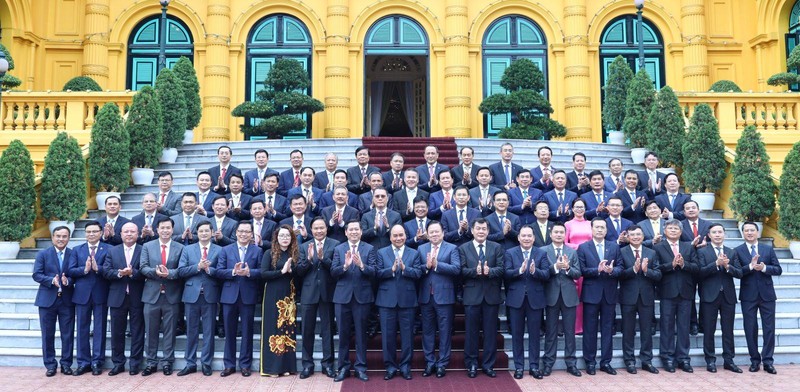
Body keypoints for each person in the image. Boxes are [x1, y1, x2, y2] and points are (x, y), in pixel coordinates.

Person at [213, 221, 263, 377]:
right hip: (229, 296)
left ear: (251, 234)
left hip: (248, 295)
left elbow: (262, 271)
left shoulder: (258, 250)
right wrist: (233, 272)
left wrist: (250, 273)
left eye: (247, 232)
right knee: (229, 332)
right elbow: (218, 271)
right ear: (236, 233)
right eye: (241, 231)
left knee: (247, 331)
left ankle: (245, 365)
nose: (243, 234)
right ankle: (229, 365)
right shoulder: (226, 250)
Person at [331, 220, 378, 382]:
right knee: (343, 334)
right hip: (342, 297)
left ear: (361, 231)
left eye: (356, 229)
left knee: (360, 334)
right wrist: (345, 266)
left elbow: (374, 272)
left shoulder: (369, 248)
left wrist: (362, 265)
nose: (353, 232)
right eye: (350, 230)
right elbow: (333, 272)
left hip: (362, 297)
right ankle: (343, 368)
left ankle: (360, 368)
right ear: (346, 232)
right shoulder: (338, 248)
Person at [375, 225, 423, 380]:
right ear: (390, 238)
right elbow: (376, 273)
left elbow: (418, 273)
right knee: (387, 337)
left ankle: (405, 366)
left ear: (405, 236)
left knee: (407, 336)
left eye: (401, 235)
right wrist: (392, 270)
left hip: (407, 301)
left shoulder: (414, 253)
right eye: (394, 235)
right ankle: (389, 366)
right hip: (386, 301)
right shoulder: (381, 252)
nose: (398, 238)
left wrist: (404, 268)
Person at [139, 218, 184, 376]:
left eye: (168, 228)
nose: (165, 230)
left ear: (173, 230)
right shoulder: (147, 246)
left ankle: (167, 362)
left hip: (171, 295)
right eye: (162, 228)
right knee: (150, 331)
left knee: (170, 331)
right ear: (157, 230)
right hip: (151, 295)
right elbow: (143, 267)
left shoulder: (180, 247)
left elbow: (181, 270)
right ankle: (151, 362)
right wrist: (155, 272)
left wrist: (169, 274)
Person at [577, 218, 622, 375]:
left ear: (606, 229)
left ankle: (606, 362)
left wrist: (611, 271)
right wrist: (597, 270)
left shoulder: (615, 247)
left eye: (603, 227)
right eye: (597, 227)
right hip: (591, 293)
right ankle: (590, 361)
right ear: (592, 229)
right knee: (589, 329)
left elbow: (620, 268)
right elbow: (581, 270)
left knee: (607, 329)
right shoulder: (583, 248)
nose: (600, 230)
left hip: (609, 293)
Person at [459, 218, 504, 378]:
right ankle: (471, 363)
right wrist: (475, 272)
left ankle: (488, 364)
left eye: (484, 229)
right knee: (471, 332)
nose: (481, 231)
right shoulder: (464, 248)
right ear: (472, 230)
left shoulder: (496, 247)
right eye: (478, 228)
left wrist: (489, 271)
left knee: (490, 332)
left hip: (491, 296)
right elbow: (461, 271)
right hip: (472, 296)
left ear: (488, 231)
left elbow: (501, 269)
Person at [736, 221, 782, 374]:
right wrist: (750, 266)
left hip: (767, 295)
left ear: (758, 232)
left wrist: (764, 268)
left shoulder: (767, 249)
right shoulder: (738, 251)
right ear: (743, 233)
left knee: (769, 328)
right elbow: (737, 272)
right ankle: (754, 360)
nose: (749, 233)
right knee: (750, 328)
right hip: (748, 296)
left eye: (752, 230)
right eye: (746, 230)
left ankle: (768, 361)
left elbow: (778, 269)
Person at [504, 225, 550, 379]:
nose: (526, 238)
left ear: (533, 237)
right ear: (518, 237)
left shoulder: (541, 253)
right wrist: (519, 271)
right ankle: (519, 367)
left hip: (535, 300)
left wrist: (534, 272)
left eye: (529, 236)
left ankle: (534, 366)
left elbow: (546, 274)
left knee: (534, 335)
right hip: (516, 299)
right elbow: (506, 273)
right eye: (523, 236)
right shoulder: (510, 253)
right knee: (517, 335)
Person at [296, 217, 339, 379]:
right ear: (311, 230)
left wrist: (323, 258)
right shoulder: (303, 246)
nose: (319, 231)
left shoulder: (335, 245)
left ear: (326, 229)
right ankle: (307, 364)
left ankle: (328, 365)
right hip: (309, 293)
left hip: (328, 292)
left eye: (322, 228)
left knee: (327, 330)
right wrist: (308, 260)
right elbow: (299, 271)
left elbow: (335, 268)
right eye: (316, 228)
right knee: (307, 330)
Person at [177, 221, 221, 377]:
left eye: (206, 231)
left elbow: (221, 271)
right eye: (201, 231)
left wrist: (209, 269)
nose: (203, 233)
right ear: (197, 233)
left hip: (210, 295)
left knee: (209, 331)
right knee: (191, 331)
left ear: (211, 232)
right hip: (191, 295)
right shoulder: (187, 249)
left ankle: (206, 363)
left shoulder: (219, 250)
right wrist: (197, 266)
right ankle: (190, 363)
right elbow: (181, 271)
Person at [417, 221, 460, 378]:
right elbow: (416, 270)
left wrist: (437, 265)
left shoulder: (452, 248)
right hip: (426, 296)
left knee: (444, 332)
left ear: (443, 233)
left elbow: (456, 269)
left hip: (444, 297)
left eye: (437, 232)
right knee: (427, 331)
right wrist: (426, 267)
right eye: (431, 232)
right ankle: (429, 362)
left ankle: (442, 363)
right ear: (427, 234)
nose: (434, 234)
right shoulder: (421, 248)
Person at [654, 219, 698, 373]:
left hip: (686, 292)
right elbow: (656, 269)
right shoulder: (658, 247)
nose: (673, 231)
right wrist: (671, 266)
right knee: (666, 326)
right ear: (665, 231)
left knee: (684, 326)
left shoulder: (688, 247)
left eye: (676, 229)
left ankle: (683, 359)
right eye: (670, 228)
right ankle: (667, 357)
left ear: (681, 231)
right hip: (667, 292)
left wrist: (684, 264)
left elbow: (697, 267)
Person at [697, 223, 743, 373]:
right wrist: (716, 264)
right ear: (709, 235)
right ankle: (710, 360)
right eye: (714, 232)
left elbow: (739, 273)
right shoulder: (702, 252)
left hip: (728, 296)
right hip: (709, 296)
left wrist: (728, 267)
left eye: (720, 232)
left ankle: (729, 360)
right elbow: (699, 273)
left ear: (724, 234)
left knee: (728, 330)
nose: (717, 235)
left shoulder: (731, 252)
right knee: (709, 330)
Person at [102, 223, 146, 376]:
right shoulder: (112, 251)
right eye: (126, 231)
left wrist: (133, 272)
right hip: (117, 297)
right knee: (117, 332)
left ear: (138, 234)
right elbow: (106, 271)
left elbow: (146, 271)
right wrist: (120, 273)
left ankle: (135, 363)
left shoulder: (143, 250)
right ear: (120, 234)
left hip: (137, 296)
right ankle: (118, 363)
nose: (129, 234)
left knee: (137, 331)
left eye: (132, 231)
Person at [67, 221, 109, 376]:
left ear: (100, 232)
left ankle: (97, 361)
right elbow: (70, 270)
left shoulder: (108, 249)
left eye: (94, 231)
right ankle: (83, 362)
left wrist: (99, 269)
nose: (91, 234)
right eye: (88, 232)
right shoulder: (77, 250)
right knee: (82, 329)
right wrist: (84, 270)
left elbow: (110, 269)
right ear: (85, 233)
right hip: (81, 295)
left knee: (100, 329)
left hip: (101, 293)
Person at [618, 224, 661, 374]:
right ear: (628, 237)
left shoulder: (651, 252)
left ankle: (646, 361)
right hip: (628, 297)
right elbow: (619, 274)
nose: (635, 237)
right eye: (632, 235)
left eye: (638, 234)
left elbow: (658, 274)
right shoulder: (621, 252)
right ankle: (629, 361)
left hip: (646, 297)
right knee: (628, 331)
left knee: (646, 331)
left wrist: (646, 271)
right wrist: (634, 270)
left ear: (643, 236)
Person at [541, 222, 582, 377]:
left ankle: (571, 363)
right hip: (550, 295)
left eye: (561, 232)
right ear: (551, 234)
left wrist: (568, 268)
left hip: (569, 296)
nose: (558, 234)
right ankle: (548, 363)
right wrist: (556, 267)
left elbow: (578, 273)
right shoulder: (543, 251)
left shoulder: (572, 252)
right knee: (550, 332)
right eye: (556, 232)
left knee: (570, 332)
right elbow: (542, 272)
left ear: (565, 235)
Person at [33, 226, 75, 377]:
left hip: (67, 300)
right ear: (52, 237)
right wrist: (51, 280)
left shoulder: (73, 254)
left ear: (68, 238)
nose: (61, 239)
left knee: (68, 334)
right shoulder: (43, 254)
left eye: (64, 236)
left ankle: (66, 364)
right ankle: (50, 365)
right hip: (46, 301)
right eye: (58, 236)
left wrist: (68, 281)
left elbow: (75, 274)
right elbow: (36, 274)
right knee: (47, 334)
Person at [260, 225, 300, 377]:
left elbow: (298, 275)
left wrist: (292, 271)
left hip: (289, 296)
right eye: (282, 235)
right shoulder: (269, 253)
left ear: (292, 238)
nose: (285, 238)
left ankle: (286, 367)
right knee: (273, 329)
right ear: (276, 237)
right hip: (272, 295)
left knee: (288, 330)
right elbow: (263, 274)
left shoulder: (294, 254)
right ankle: (272, 369)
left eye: (288, 236)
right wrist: (281, 272)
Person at [565, 198, 592, 334]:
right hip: (574, 259)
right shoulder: (568, 224)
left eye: (582, 207)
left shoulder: (591, 223)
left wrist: (586, 249)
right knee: (576, 294)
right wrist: (580, 247)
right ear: (572, 208)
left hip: (589, 260)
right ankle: (576, 327)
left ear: (585, 209)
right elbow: (564, 242)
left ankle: (587, 325)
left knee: (587, 294)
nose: (579, 209)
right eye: (576, 207)